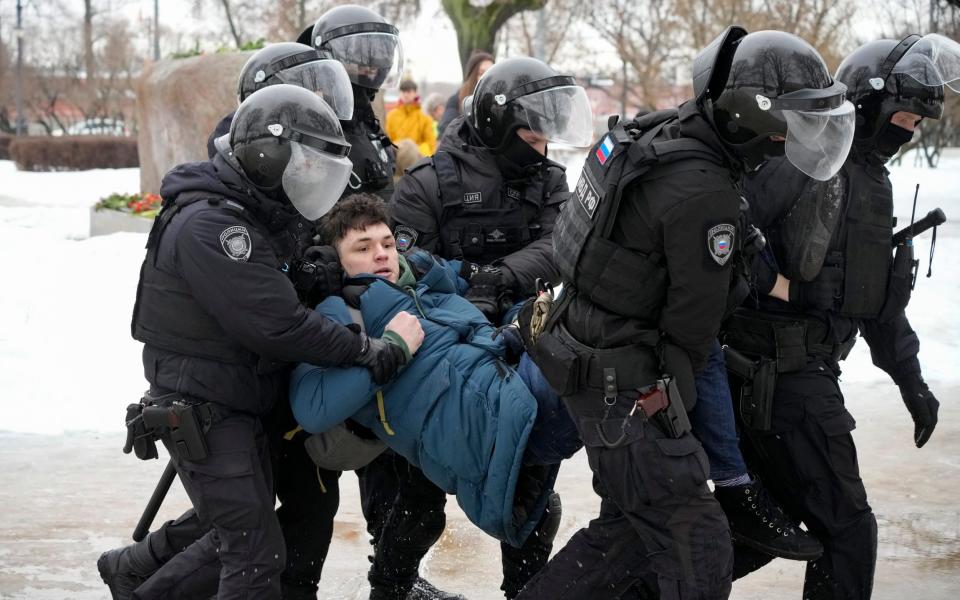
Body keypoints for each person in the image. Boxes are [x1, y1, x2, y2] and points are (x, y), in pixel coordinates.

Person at [516, 28, 857, 599]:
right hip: (625, 387)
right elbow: (693, 327)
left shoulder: (659, 134)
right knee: (698, 549)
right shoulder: (703, 194)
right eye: (793, 122)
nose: (797, 137)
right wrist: (677, 422)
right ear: (754, 117)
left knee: (627, 534)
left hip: (591, 353)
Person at [96, 84, 422, 600]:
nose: (309, 179)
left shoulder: (253, 210)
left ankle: (134, 573)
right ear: (269, 156)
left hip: (237, 394)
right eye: (302, 165)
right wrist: (366, 351)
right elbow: (279, 323)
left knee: (233, 527)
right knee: (252, 553)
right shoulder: (215, 225)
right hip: (205, 403)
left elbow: (281, 284)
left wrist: (324, 276)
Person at [724, 33, 951, 599]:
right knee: (848, 528)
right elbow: (723, 239)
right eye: (905, 115)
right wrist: (782, 287)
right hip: (775, 370)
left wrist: (911, 380)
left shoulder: (873, 180)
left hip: (806, 369)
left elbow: (873, 299)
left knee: (751, 535)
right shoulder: (804, 158)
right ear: (870, 104)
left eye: (919, 123)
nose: (911, 130)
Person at [380, 56, 589, 600]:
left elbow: (562, 248)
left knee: (532, 501)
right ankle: (391, 588)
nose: (543, 139)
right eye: (532, 126)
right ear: (499, 122)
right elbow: (400, 271)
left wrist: (496, 277)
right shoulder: (428, 183)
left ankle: (521, 592)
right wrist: (462, 290)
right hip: (441, 361)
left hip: (521, 351)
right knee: (420, 503)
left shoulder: (549, 180)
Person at [289, 193, 580, 545]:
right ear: (338, 262)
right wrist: (392, 350)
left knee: (590, 326)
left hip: (512, 393)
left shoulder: (425, 286)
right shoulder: (340, 316)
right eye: (362, 249)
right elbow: (312, 410)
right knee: (598, 349)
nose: (381, 254)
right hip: (487, 427)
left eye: (386, 243)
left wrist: (517, 328)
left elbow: (472, 293)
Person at [436, 51, 494, 140]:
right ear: (472, 76)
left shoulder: (499, 102)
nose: (487, 77)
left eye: (491, 73)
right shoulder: (455, 101)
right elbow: (447, 130)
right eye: (481, 73)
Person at [386, 79, 438, 156]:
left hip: (417, 160)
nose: (406, 95)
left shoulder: (424, 117)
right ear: (400, 93)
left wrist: (416, 154)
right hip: (396, 159)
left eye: (409, 92)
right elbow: (388, 141)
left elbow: (430, 144)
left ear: (415, 93)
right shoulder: (391, 115)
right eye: (403, 92)